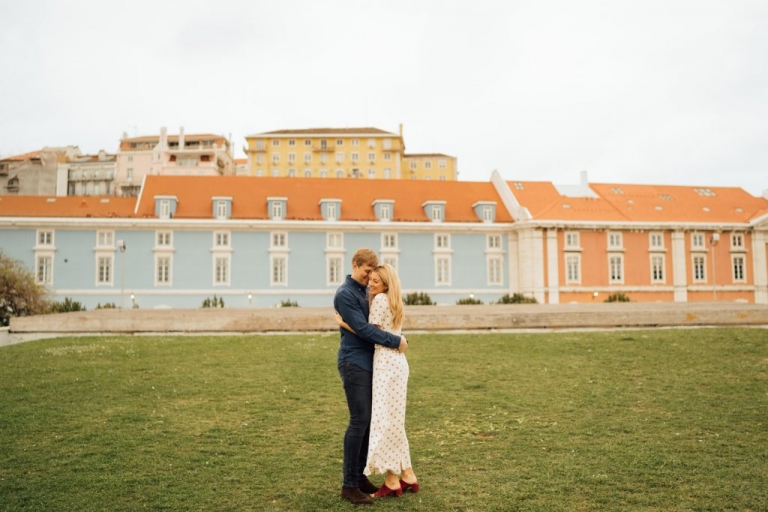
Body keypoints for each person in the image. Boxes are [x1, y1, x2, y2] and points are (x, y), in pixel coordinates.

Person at [336, 263, 419, 499]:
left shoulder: (380, 301)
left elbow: (366, 330)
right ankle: (408, 474)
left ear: (385, 284)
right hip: (397, 364)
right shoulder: (391, 300)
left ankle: (392, 479)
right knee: (393, 420)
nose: (370, 284)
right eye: (370, 279)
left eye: (375, 281)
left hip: (385, 363)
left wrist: (342, 322)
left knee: (385, 422)